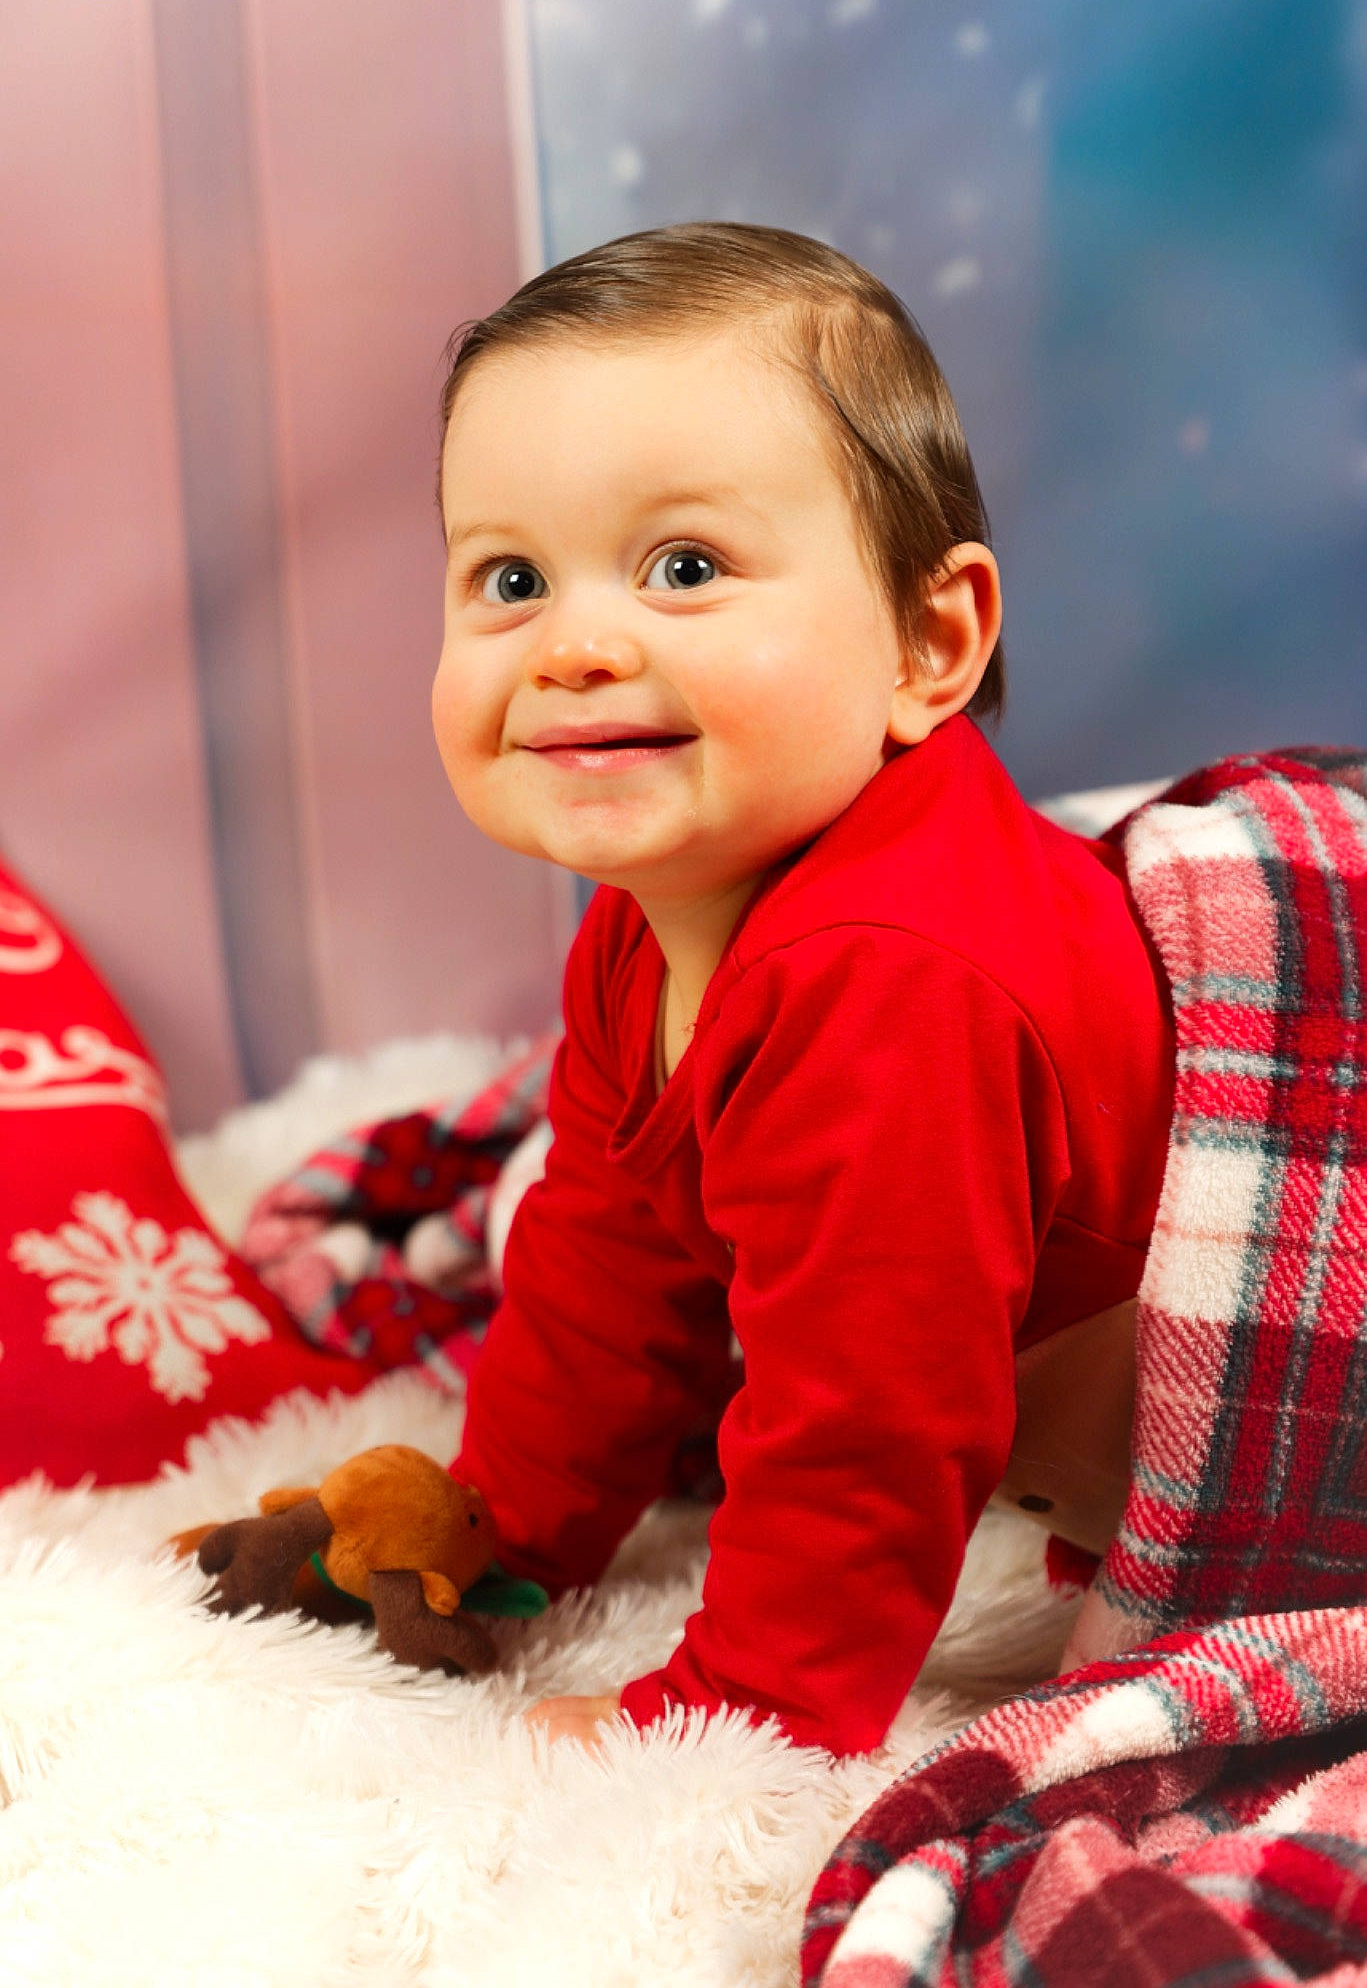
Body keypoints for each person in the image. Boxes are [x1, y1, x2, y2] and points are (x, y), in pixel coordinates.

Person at [431, 222, 1175, 1758]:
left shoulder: (885, 983)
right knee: (535, 1210)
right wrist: (490, 1537)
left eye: (685, 567)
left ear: (929, 640)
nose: (574, 643)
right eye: (509, 578)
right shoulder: (648, 925)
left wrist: (741, 1709)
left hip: (1235, 1357)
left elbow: (871, 1424)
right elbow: (606, 1267)